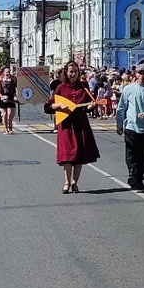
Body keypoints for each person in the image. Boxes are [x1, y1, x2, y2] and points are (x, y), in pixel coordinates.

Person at [45, 62, 99, 193]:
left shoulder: (84, 87)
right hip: (66, 125)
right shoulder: (61, 88)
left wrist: (91, 107)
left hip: (80, 124)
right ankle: (67, 182)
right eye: (70, 71)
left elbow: (87, 107)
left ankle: (75, 182)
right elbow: (48, 106)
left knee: (79, 154)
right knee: (68, 155)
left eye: (75, 71)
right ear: (66, 72)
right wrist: (58, 106)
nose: (73, 74)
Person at [116, 64, 144, 190]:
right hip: (131, 127)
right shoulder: (128, 89)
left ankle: (139, 177)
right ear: (136, 74)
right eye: (140, 73)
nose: (142, 75)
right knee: (131, 154)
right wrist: (119, 124)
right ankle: (133, 174)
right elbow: (121, 108)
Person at [0, 67, 18, 134]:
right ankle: (6, 129)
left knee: (10, 113)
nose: (7, 73)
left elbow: (16, 88)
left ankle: (10, 128)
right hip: (3, 97)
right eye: (6, 72)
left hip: (10, 97)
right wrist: (1, 97)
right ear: (3, 73)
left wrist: (15, 96)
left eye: (8, 72)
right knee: (4, 114)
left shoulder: (13, 80)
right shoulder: (0, 80)